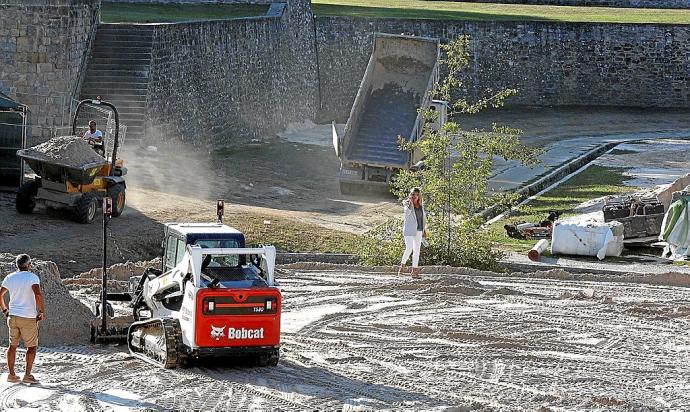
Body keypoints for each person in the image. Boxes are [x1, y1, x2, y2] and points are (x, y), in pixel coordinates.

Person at [0, 254, 45, 384]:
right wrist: (41, 311)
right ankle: (27, 375)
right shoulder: (33, 277)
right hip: (28, 317)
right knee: (31, 347)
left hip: (13, 316)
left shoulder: (10, 277)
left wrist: (4, 310)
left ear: (17, 265)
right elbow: (37, 294)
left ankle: (11, 375)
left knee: (12, 346)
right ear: (29, 264)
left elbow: (0, 294)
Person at [399, 187, 427, 278]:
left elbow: (422, 219)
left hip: (419, 230)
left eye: (417, 194)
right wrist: (411, 203)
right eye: (413, 194)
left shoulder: (421, 205)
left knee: (417, 250)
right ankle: (402, 266)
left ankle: (414, 271)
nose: (415, 196)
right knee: (409, 248)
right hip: (409, 230)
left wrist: (424, 230)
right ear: (410, 195)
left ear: (419, 196)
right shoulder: (406, 203)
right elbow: (407, 213)